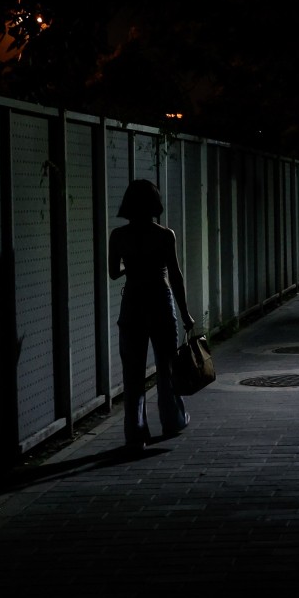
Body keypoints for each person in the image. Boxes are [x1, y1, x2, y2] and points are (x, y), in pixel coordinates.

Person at [108, 179, 195, 450]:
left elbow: (113, 273)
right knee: (166, 367)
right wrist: (186, 314)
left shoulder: (118, 236)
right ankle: (172, 420)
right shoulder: (165, 235)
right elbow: (177, 277)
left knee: (132, 373)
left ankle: (135, 433)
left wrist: (131, 266)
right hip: (160, 299)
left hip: (132, 302)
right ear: (154, 204)